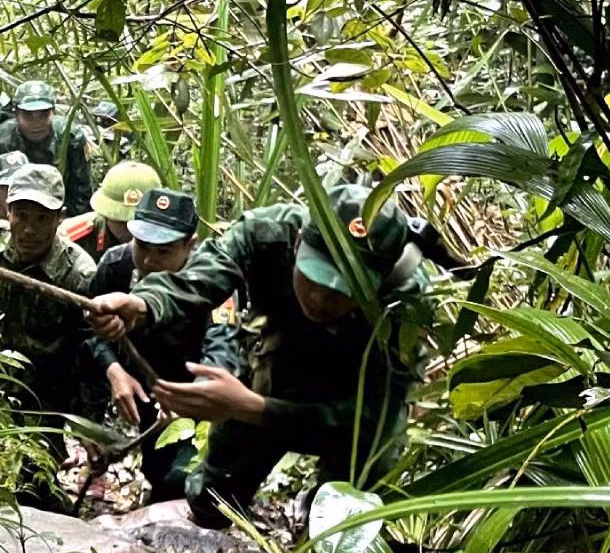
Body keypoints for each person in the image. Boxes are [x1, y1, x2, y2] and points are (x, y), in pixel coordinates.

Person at [89, 184, 444, 528]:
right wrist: (144, 303)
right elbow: (202, 274)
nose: (319, 300)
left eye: (339, 291)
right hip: (277, 369)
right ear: (300, 242)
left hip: (356, 401)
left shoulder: (406, 305)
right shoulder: (267, 233)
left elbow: (371, 419)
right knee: (213, 498)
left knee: (349, 519)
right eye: (312, 278)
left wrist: (249, 408)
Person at [87, 188, 244, 501]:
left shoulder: (213, 282)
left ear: (189, 245)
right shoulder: (115, 267)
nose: (148, 260)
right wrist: (114, 369)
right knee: (156, 469)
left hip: (195, 392)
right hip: (146, 382)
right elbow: (89, 331)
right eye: (142, 246)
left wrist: (191, 397)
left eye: (163, 251)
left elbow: (222, 351)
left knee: (184, 479)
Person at [0, 164, 98, 422]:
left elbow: (89, 357)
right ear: (8, 212)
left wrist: (86, 424)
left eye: (42, 219)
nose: (29, 230)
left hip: (48, 397)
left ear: (60, 217)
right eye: (22, 215)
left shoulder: (78, 274)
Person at [0, 80, 93, 216]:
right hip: (13, 213)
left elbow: (81, 191)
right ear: (16, 114)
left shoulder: (70, 138)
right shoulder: (0, 140)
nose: (36, 123)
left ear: (53, 113)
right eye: (28, 115)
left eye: (44, 114)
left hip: (60, 211)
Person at [63, 160, 160, 259]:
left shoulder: (170, 241)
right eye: (122, 222)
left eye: (139, 222)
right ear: (106, 214)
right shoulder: (70, 238)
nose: (131, 230)